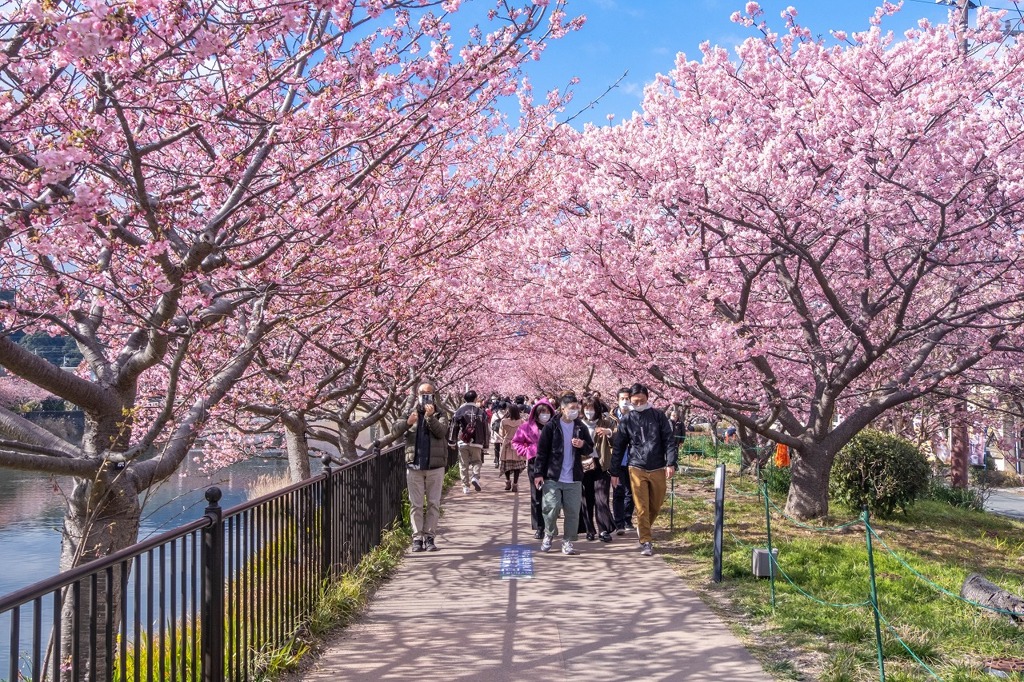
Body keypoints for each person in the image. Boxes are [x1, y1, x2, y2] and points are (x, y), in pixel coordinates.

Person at [611, 383, 677, 557]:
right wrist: (614, 471)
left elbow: (669, 440)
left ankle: (643, 527)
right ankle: (646, 541)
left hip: (657, 466)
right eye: (635, 401)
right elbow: (619, 446)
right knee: (641, 506)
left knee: (655, 504)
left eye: (641, 400)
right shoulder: (628, 419)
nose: (638, 404)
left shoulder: (658, 416)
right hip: (636, 466)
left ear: (648, 398)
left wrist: (671, 463)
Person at [533, 393, 595, 555]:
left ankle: (568, 541)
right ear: (562, 409)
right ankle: (549, 533)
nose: (575, 411)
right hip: (553, 475)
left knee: (573, 511)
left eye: (577, 408)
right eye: (571, 408)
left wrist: (582, 444)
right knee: (551, 508)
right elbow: (542, 452)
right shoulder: (551, 427)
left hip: (573, 476)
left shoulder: (580, 427)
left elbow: (590, 447)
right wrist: (538, 473)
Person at [394, 381, 449, 552]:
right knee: (416, 504)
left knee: (433, 503)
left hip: (435, 466)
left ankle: (430, 537)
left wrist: (430, 417)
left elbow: (441, 432)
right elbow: (396, 429)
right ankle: (417, 538)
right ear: (417, 394)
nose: (425, 396)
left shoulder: (440, 413)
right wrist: (408, 423)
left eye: (429, 393)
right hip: (414, 465)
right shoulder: (409, 412)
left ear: (433, 395)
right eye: (422, 393)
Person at [511, 398, 555, 538]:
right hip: (535, 463)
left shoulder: (556, 426)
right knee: (537, 496)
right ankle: (539, 526)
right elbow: (516, 442)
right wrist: (527, 452)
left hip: (553, 463)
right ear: (536, 413)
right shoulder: (526, 427)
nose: (545, 415)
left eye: (547, 412)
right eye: (542, 412)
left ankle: (551, 525)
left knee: (553, 496)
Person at [579, 396, 616, 542]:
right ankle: (589, 530)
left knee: (602, 498)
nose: (589, 412)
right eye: (587, 408)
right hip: (584, 465)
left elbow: (617, 438)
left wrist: (609, 432)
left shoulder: (606, 423)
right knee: (586, 499)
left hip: (602, 464)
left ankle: (603, 530)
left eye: (592, 408)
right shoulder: (578, 424)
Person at [450, 390, 490, 494]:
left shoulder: (459, 411)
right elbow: (486, 429)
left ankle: (465, 487)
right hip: (477, 442)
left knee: (463, 464)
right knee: (477, 461)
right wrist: (485, 444)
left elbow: (453, 427)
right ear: (476, 398)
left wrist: (452, 441)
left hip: (463, 441)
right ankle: (475, 477)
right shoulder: (481, 412)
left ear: (464, 399)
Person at [611, 386, 636, 535]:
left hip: (633, 460)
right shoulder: (611, 419)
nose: (625, 401)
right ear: (618, 400)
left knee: (631, 492)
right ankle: (618, 522)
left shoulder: (636, 417)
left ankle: (627, 519)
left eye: (627, 398)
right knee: (618, 491)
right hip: (618, 460)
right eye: (622, 399)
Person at [498, 403, 527, 491]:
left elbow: (501, 433)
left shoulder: (504, 421)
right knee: (517, 465)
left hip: (507, 443)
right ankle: (515, 484)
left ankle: (507, 481)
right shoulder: (522, 422)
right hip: (517, 444)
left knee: (506, 463)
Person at [490, 401, 507, 468]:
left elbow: (492, 425)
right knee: (504, 449)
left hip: (496, 434)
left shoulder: (495, 414)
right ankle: (503, 461)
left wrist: (492, 434)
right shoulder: (507, 414)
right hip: (505, 433)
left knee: (496, 448)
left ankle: (496, 461)